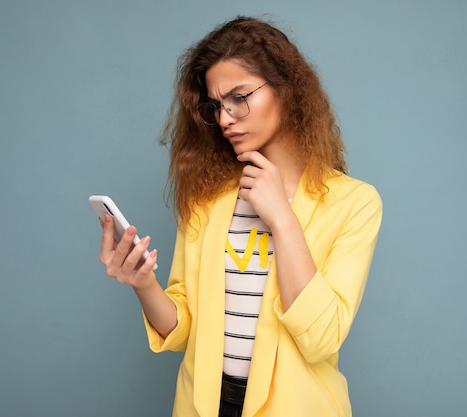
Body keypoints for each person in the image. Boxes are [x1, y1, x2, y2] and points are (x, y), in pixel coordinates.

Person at [98, 16, 382, 417]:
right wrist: (143, 284)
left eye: (240, 97)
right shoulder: (208, 197)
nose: (227, 118)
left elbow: (322, 339)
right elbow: (183, 330)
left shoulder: (355, 202)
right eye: (217, 106)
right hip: (202, 406)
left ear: (286, 89)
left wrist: (282, 218)